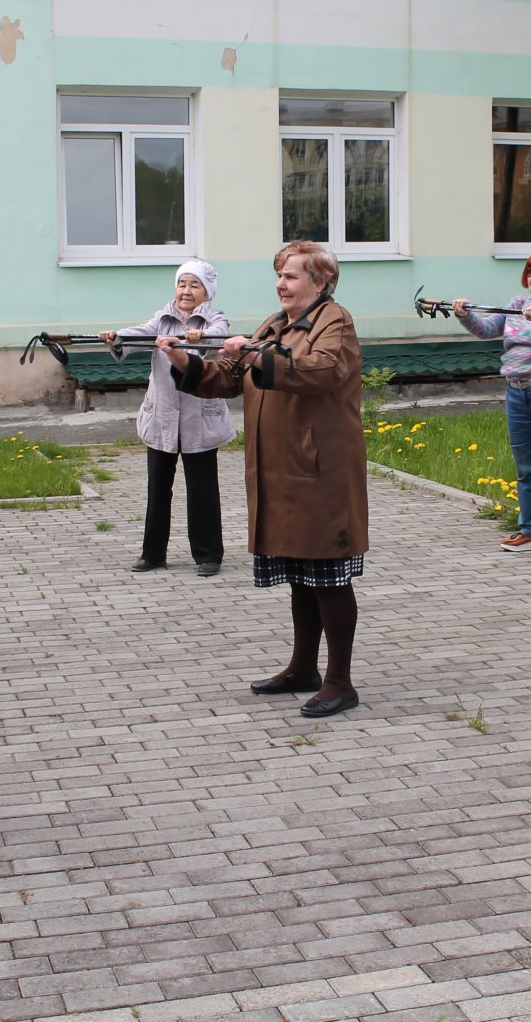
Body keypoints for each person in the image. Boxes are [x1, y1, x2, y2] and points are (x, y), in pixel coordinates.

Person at [159, 240, 368, 718]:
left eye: (291, 276)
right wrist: (179, 358)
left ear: (320, 282)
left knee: (329, 576)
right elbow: (225, 378)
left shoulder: (336, 320)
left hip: (320, 472)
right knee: (300, 574)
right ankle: (302, 668)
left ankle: (340, 681)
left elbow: (323, 372)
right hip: (281, 472)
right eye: (279, 275)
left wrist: (253, 356)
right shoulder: (276, 324)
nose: (281, 284)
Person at [102, 260, 232, 576]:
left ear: (207, 292)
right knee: (158, 488)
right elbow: (140, 333)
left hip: (199, 420)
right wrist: (117, 337)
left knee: (202, 489)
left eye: (194, 285)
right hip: (161, 419)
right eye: (182, 284)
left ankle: (208, 555)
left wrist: (198, 336)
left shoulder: (215, 319)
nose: (186, 291)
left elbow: (219, 336)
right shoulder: (162, 319)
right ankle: (153, 553)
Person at [452, 251, 531, 560]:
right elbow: (486, 329)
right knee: (526, 466)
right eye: (530, 271)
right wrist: (464, 314)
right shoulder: (515, 305)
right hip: (516, 392)